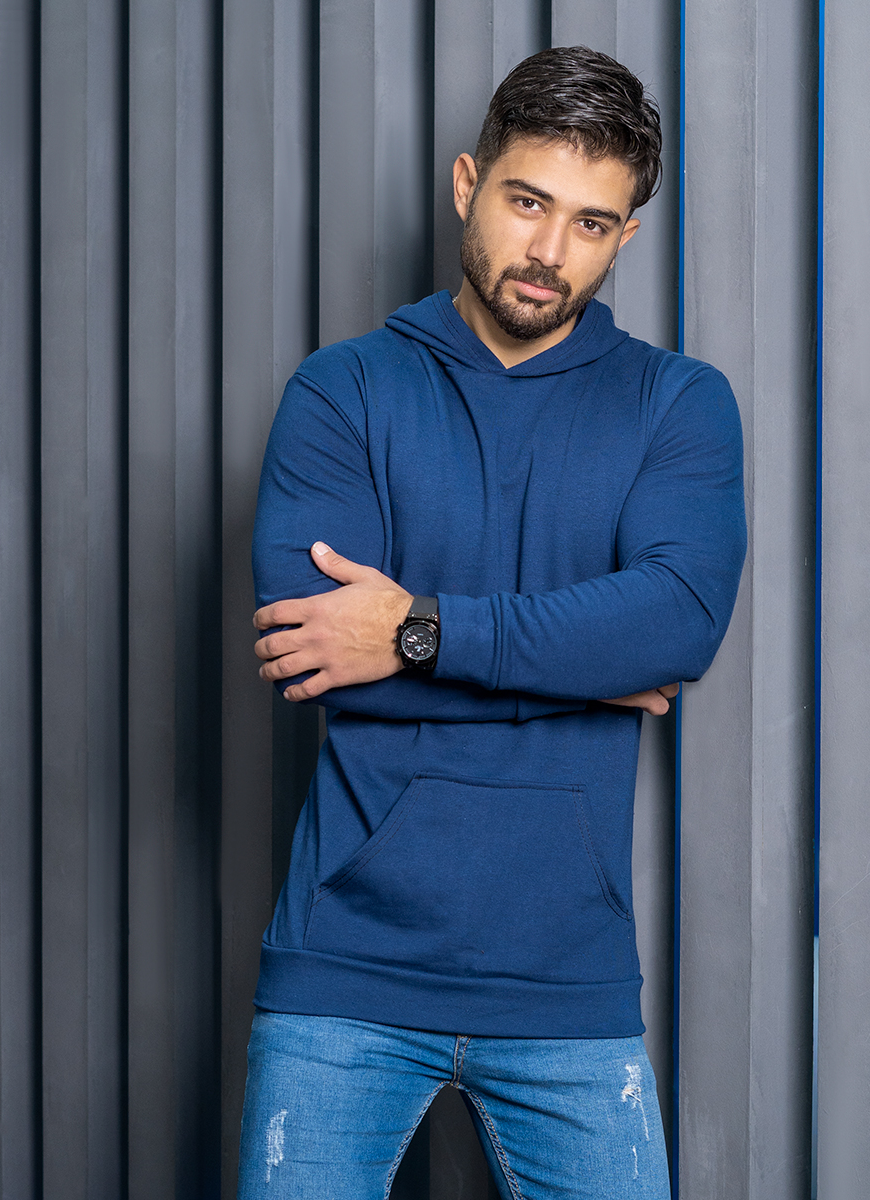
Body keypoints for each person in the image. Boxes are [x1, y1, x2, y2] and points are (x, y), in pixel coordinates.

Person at [239, 45, 746, 1200]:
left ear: (625, 236)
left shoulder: (676, 404)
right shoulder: (344, 392)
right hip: (343, 974)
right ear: (468, 184)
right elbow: (313, 650)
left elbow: (676, 623)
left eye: (591, 223)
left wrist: (414, 632)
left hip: (569, 980)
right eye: (528, 202)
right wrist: (585, 668)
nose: (550, 250)